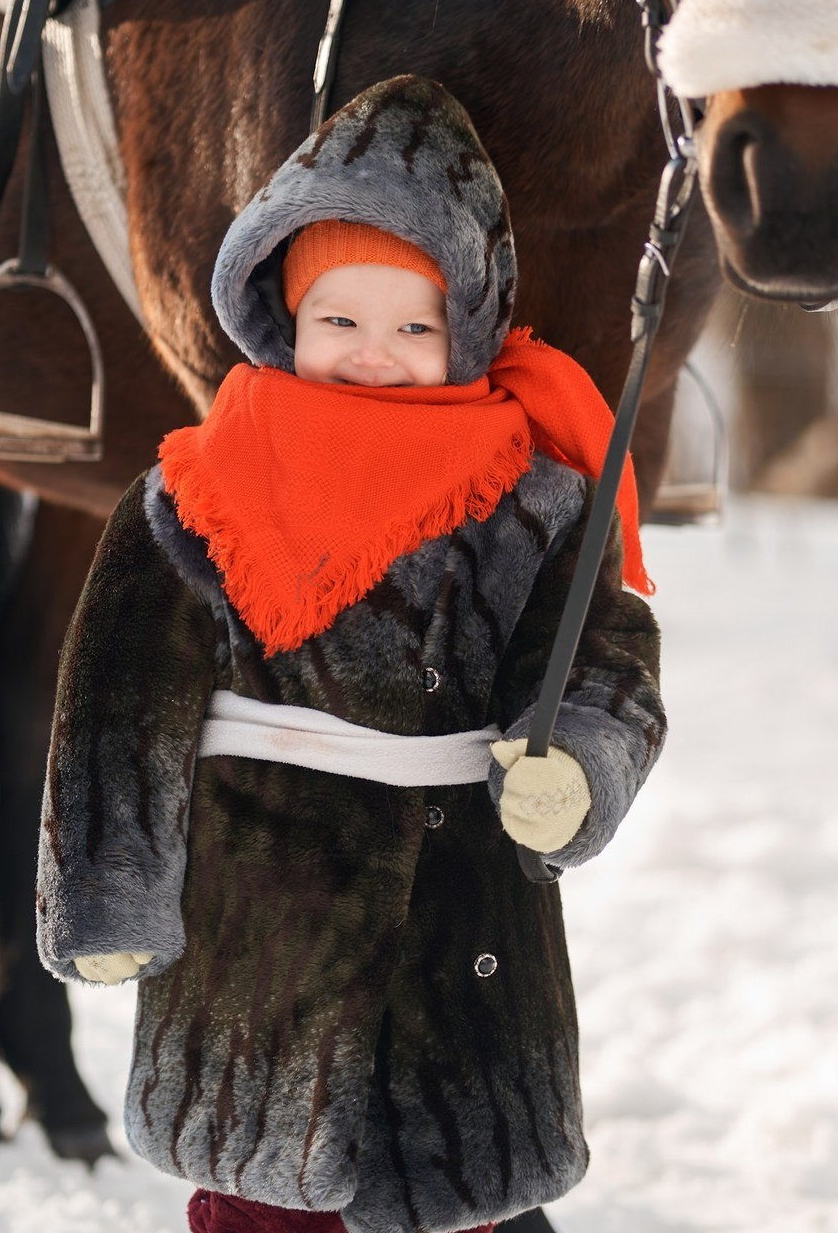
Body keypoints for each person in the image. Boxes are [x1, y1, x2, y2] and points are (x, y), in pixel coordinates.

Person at [37, 75, 665, 1233]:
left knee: (470, 1187)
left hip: (465, 931)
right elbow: (120, 705)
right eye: (340, 320)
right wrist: (108, 889)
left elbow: (599, 656)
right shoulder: (194, 493)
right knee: (266, 1201)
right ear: (284, 316)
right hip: (257, 946)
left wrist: (575, 758)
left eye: (412, 326)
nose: (373, 352)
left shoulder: (532, 497)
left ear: (465, 330)